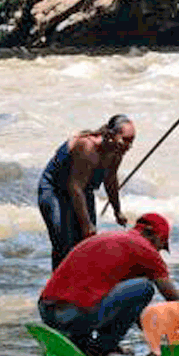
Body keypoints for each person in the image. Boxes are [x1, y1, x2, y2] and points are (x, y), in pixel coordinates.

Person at [37, 212, 179, 356]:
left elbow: (132, 309)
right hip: (73, 315)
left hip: (48, 312)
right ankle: (101, 349)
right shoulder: (146, 250)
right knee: (145, 287)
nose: (159, 252)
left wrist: (155, 338)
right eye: (161, 245)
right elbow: (173, 298)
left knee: (93, 293)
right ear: (155, 236)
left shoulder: (109, 238)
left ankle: (84, 346)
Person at [38, 114, 136, 271]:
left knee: (86, 244)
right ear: (111, 135)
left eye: (132, 141)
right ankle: (56, 288)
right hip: (55, 190)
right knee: (64, 241)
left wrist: (117, 210)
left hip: (83, 190)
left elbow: (110, 180)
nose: (128, 146)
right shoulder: (88, 147)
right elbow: (74, 187)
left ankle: (78, 287)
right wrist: (86, 224)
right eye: (125, 139)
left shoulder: (117, 151)